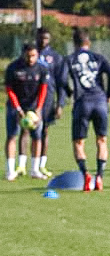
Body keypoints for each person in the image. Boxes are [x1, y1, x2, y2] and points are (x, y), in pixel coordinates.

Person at [64, 29, 110, 191]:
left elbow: (61, 79)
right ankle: (99, 175)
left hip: (82, 103)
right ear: (89, 43)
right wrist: (108, 94)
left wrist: (70, 92)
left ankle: (86, 173)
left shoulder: (69, 59)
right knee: (102, 140)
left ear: (74, 43)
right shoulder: (98, 58)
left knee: (79, 143)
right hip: (100, 101)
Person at [4, 43, 49, 182]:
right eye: (28, 56)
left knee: (37, 137)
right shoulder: (13, 68)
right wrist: (17, 108)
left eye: (34, 56)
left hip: (34, 108)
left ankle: (35, 169)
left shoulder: (41, 69)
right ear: (23, 54)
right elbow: (9, 89)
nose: (31, 59)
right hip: (15, 107)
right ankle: (10, 171)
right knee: (12, 136)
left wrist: (39, 109)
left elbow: (43, 89)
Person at [33, 27, 67, 178]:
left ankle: (42, 165)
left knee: (45, 130)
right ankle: (21, 165)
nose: (43, 40)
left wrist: (60, 104)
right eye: (41, 37)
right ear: (36, 37)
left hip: (48, 99)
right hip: (30, 98)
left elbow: (61, 82)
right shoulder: (30, 53)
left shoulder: (55, 57)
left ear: (50, 39)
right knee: (27, 129)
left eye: (46, 38)